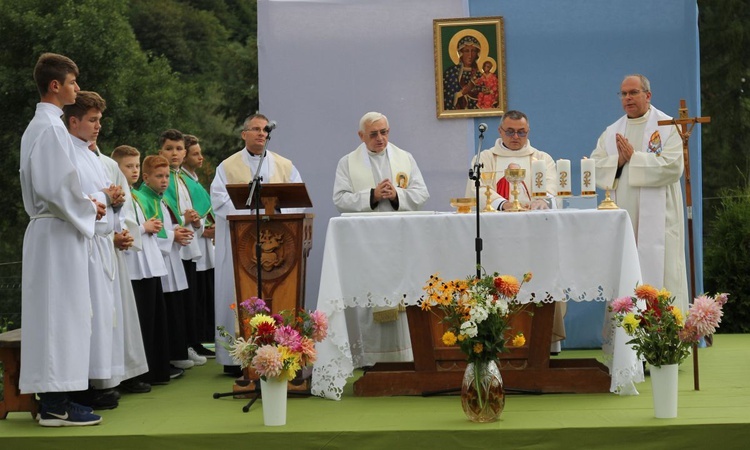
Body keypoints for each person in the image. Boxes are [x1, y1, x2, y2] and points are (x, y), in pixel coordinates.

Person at [19, 52, 104, 426]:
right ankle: (55, 403)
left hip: (54, 228)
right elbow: (56, 187)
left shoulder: (42, 126)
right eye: (73, 82)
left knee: (62, 315)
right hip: (56, 231)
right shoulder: (51, 128)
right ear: (56, 86)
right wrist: (89, 207)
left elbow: (56, 186)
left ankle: (57, 397)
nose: (78, 88)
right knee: (60, 316)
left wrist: (84, 205)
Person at [210, 113, 303, 371]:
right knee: (237, 291)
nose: (261, 133)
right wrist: (250, 214)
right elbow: (219, 200)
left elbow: (296, 195)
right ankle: (236, 357)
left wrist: (271, 213)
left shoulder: (284, 166)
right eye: (255, 129)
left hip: (277, 242)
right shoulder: (227, 167)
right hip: (243, 242)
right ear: (244, 134)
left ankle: (280, 351)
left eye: (264, 130)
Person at [591, 74, 688, 313]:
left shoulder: (668, 127)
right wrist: (619, 161)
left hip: (661, 216)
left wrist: (634, 158)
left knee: (663, 270)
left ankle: (665, 332)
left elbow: (673, 166)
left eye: (633, 92)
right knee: (627, 268)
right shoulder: (612, 131)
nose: (627, 98)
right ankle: (627, 333)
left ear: (648, 95)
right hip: (625, 211)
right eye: (623, 94)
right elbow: (595, 166)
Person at [119, 150, 175, 384]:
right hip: (133, 266)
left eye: (135, 166)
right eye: (128, 166)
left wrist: (147, 228)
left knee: (155, 320)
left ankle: (157, 369)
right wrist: (143, 228)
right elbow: (119, 228)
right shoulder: (121, 196)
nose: (133, 170)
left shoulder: (136, 196)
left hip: (149, 264)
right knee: (140, 322)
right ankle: (139, 374)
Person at [157, 129, 206, 369]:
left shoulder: (183, 180)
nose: (174, 153)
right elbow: (161, 213)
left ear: (184, 152)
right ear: (160, 151)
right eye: (169, 149)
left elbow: (192, 209)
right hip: (172, 246)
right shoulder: (161, 178)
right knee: (176, 300)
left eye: (178, 149)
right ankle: (179, 347)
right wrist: (183, 219)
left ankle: (188, 343)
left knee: (189, 299)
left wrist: (196, 221)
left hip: (187, 245)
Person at [333, 111, 429, 213]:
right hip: (364, 227)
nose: (379, 138)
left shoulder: (406, 158)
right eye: (373, 134)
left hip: (400, 225)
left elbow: (422, 194)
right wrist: (372, 196)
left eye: (383, 132)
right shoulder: (347, 163)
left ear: (388, 131)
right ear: (361, 136)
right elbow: (340, 200)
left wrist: (396, 195)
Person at [465, 110, 557, 211]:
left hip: (534, 219)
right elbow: (477, 188)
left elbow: (552, 185)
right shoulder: (484, 158)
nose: (516, 136)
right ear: (500, 131)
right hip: (496, 221)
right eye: (510, 132)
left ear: (528, 132)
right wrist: (503, 204)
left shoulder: (542, 158)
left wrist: (543, 201)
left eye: (521, 132)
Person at [182, 134, 216, 357]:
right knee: (196, 293)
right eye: (195, 153)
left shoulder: (192, 180)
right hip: (193, 240)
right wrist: (204, 228)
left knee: (204, 290)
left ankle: (202, 336)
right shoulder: (183, 180)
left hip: (203, 242)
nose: (201, 157)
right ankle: (196, 338)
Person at [443, 35, 483, 110]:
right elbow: (446, 98)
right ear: (460, 53)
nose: (470, 55)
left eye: (473, 51)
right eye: (466, 51)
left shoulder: (480, 74)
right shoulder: (451, 73)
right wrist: (461, 93)